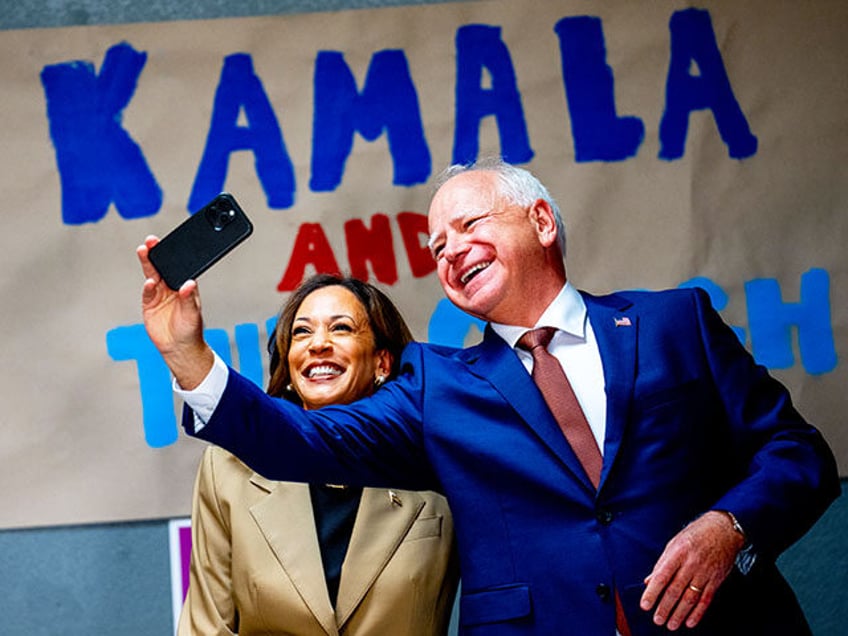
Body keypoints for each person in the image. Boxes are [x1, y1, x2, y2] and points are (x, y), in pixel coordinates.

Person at [139, 158, 839, 636]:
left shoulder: (673, 323)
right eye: (437, 245)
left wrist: (730, 526)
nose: (450, 251)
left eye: (469, 226)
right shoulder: (436, 386)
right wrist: (186, 354)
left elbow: (797, 454)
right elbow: (297, 439)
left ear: (540, 222)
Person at [176, 274, 459, 635]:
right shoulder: (228, 468)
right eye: (302, 332)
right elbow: (205, 626)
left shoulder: (437, 456)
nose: (318, 344)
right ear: (290, 365)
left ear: (383, 363)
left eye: (341, 328)